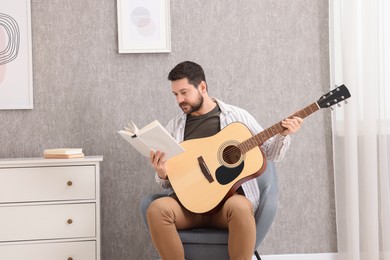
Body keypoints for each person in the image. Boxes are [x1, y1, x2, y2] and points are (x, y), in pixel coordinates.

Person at [146, 61, 303, 260]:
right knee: (157, 209)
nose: (179, 100)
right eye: (175, 94)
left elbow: (271, 153)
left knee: (240, 207)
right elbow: (168, 181)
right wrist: (162, 172)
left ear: (202, 87)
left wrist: (283, 135)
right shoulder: (174, 126)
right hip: (189, 207)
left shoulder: (237, 117)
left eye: (184, 92)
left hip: (227, 207)